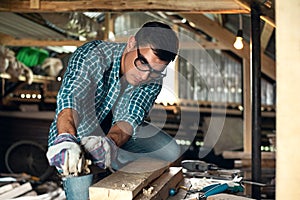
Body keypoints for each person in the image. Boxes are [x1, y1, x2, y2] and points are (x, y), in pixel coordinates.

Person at [46, 21, 180, 180]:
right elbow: (72, 99)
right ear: (131, 43)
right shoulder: (94, 55)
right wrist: (67, 139)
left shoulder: (153, 79)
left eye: (155, 71)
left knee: (171, 152)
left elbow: (130, 118)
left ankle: (116, 160)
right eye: (143, 62)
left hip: (117, 138)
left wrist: (109, 143)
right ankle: (106, 159)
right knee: (80, 189)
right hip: (78, 135)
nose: (144, 76)